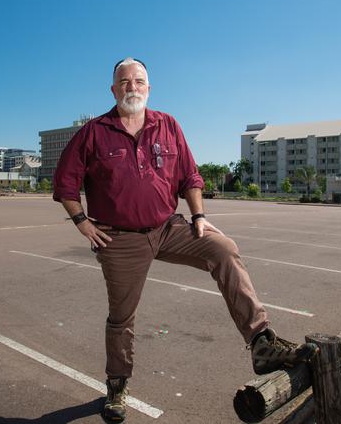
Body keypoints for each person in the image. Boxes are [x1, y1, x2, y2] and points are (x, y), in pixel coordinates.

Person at [53, 58, 317, 422]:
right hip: (120, 238)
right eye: (125, 82)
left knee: (223, 249)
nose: (132, 87)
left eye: (139, 81)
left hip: (169, 227)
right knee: (121, 317)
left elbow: (190, 177)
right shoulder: (95, 132)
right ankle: (117, 384)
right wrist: (82, 222)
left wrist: (200, 217)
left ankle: (261, 342)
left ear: (149, 87)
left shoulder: (168, 125)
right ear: (114, 90)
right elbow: (65, 183)